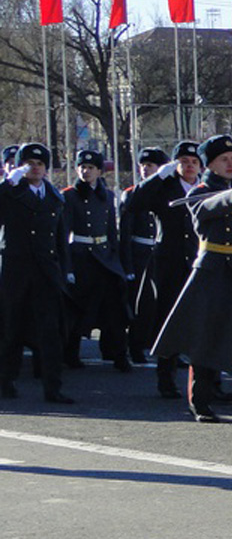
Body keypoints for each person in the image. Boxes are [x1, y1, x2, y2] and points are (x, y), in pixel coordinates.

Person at [152, 134, 232, 429]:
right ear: (209, 164)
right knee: (206, 340)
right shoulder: (200, 192)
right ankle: (200, 402)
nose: (231, 164)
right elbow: (207, 208)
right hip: (212, 274)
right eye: (224, 159)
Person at [125, 141, 203, 399]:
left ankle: (208, 383)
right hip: (169, 263)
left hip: (200, 262)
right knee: (167, 320)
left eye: (194, 162)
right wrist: (157, 177)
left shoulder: (205, 188)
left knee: (204, 322)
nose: (189, 166)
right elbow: (134, 203)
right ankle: (166, 379)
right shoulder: (164, 188)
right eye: (183, 162)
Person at [0, 143, 75, 404]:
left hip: (46, 272)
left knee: (50, 332)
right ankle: (5, 382)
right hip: (16, 270)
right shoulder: (10, 192)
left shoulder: (54, 197)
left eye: (40, 164)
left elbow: (60, 239)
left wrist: (65, 271)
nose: (35, 168)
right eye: (29, 164)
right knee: (11, 329)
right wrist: (6, 184)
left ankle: (52, 387)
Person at [62, 149, 131, 372]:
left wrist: (117, 260)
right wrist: (67, 267)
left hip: (104, 257)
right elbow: (64, 233)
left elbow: (111, 231)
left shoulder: (107, 196)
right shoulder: (69, 196)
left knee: (115, 307)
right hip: (81, 257)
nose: (86, 171)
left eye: (91, 168)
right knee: (78, 308)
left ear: (99, 171)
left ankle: (119, 354)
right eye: (82, 167)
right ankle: (71, 354)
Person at [120, 148, 167, 364]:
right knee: (141, 305)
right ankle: (136, 346)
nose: (145, 169)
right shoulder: (133, 194)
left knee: (163, 304)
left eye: (150, 165)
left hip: (160, 253)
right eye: (143, 165)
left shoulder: (166, 191)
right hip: (140, 255)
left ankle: (165, 348)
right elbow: (125, 234)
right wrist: (128, 266)